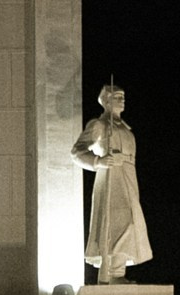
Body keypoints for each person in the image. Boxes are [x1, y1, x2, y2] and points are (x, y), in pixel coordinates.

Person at [68, 79, 151, 283]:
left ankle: (118, 273)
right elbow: (77, 152)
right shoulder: (99, 126)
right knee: (114, 224)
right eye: (116, 97)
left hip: (129, 180)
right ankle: (112, 274)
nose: (122, 100)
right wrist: (99, 161)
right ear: (105, 101)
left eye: (123, 97)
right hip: (111, 179)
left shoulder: (126, 129)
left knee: (131, 223)